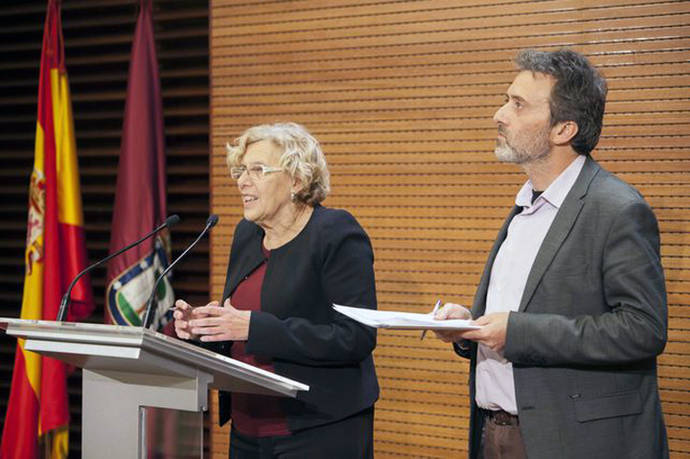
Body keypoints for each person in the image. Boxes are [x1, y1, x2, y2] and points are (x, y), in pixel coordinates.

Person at [434, 49, 668, 459]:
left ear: (563, 129)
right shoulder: (524, 206)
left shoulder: (617, 209)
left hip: (573, 442)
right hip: (495, 433)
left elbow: (642, 328)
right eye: (507, 99)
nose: (499, 114)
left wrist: (518, 332)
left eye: (518, 104)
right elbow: (523, 313)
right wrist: (471, 329)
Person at [173, 122, 379, 458]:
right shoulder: (247, 234)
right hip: (248, 426)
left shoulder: (335, 233)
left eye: (258, 170)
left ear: (296, 180)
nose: (242, 181)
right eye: (241, 170)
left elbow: (355, 337)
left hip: (317, 427)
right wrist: (205, 327)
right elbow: (241, 322)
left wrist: (253, 327)